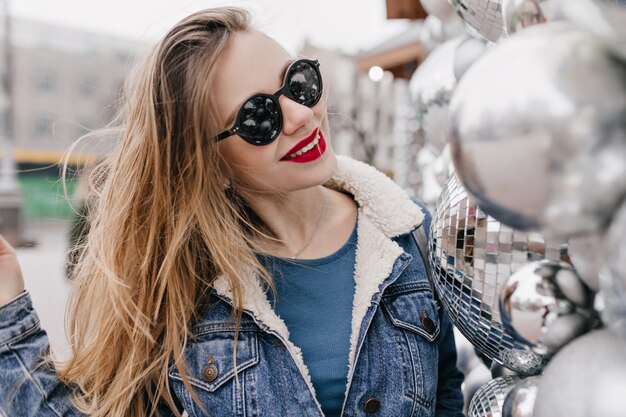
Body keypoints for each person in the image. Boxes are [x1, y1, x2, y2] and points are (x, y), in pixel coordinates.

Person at [0, 7, 463, 417]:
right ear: (208, 161)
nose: (300, 115)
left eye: (299, 82)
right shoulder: (182, 283)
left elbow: (445, 393)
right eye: (258, 116)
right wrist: (10, 318)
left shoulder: (412, 235)